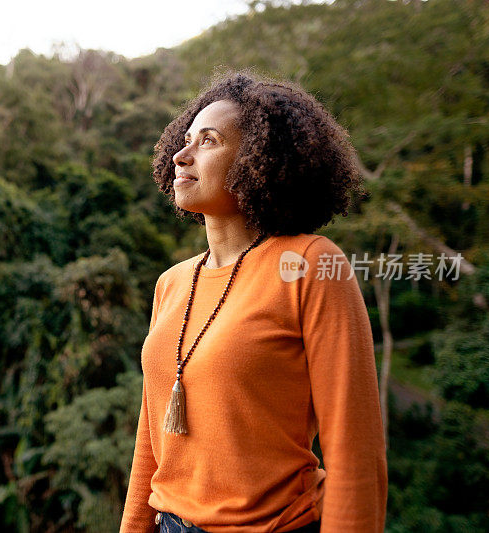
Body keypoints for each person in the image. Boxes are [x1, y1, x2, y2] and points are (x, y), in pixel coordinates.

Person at [120, 69, 387, 533]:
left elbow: (354, 449)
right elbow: (152, 440)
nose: (182, 156)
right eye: (184, 141)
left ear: (260, 159)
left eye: (208, 141)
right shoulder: (171, 283)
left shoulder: (310, 263)